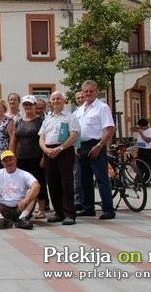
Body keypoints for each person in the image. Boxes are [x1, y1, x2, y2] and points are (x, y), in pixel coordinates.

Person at [73, 80, 116, 220]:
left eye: (91, 91)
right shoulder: (79, 110)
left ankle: (108, 209)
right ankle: (88, 208)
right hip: (82, 146)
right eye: (86, 91)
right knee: (84, 179)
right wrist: (76, 146)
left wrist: (100, 145)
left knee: (101, 178)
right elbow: (77, 130)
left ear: (96, 91)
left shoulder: (102, 107)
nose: (88, 93)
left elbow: (110, 129)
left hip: (96, 144)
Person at [39, 91, 80, 225]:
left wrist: (60, 148)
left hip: (64, 151)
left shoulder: (70, 117)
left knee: (66, 182)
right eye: (53, 99)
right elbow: (41, 137)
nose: (55, 101)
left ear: (64, 101)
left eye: (58, 99)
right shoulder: (47, 118)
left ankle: (69, 213)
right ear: (50, 102)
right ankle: (58, 212)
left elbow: (73, 136)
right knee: (52, 182)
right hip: (49, 151)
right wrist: (45, 150)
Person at [0, 150, 40, 230]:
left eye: (10, 159)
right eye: (5, 161)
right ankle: (0, 218)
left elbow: (36, 186)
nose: (8, 162)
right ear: (2, 163)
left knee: (31, 192)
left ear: (15, 159)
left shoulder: (24, 174)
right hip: (3, 208)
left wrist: (26, 200)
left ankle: (22, 218)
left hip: (20, 207)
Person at [13, 95, 47, 219]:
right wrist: (12, 156)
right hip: (21, 157)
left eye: (30, 105)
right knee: (23, 184)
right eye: (25, 105)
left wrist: (44, 156)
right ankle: (26, 208)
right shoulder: (19, 121)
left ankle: (42, 209)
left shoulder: (41, 121)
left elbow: (45, 139)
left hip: (36, 156)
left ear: (34, 106)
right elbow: (14, 139)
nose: (28, 107)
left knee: (39, 182)